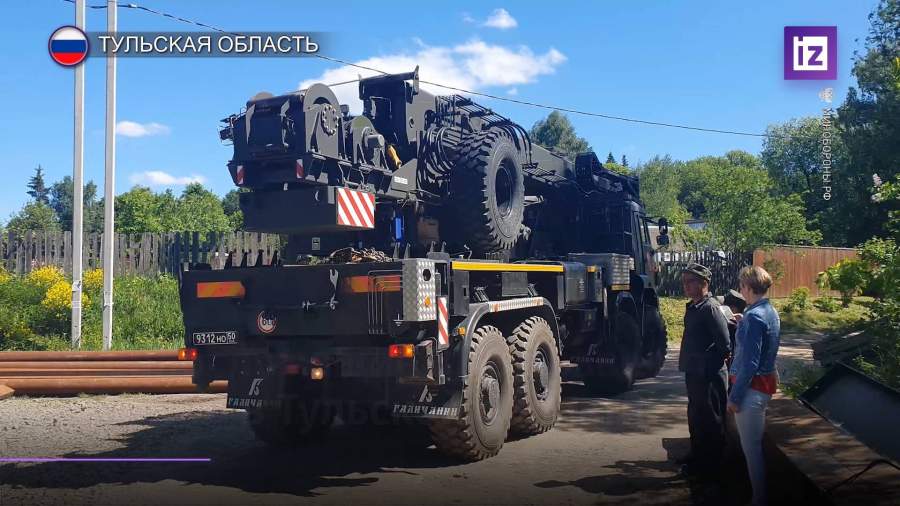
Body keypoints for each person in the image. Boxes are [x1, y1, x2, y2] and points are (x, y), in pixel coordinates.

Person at [727, 266, 780, 506]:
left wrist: (735, 397)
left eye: (741, 286)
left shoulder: (754, 316)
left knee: (752, 450)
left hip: (751, 391)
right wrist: (743, 325)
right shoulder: (769, 311)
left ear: (748, 287)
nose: (740, 290)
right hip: (763, 388)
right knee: (754, 447)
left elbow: (750, 363)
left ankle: (759, 499)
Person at [677, 263, 731, 476]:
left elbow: (725, 344)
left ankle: (712, 468)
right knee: (696, 415)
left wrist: (707, 363)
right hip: (694, 372)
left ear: (704, 283)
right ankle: (697, 456)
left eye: (690, 282)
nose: (686, 286)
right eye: (684, 282)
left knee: (712, 420)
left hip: (709, 374)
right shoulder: (694, 307)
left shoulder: (711, 308)